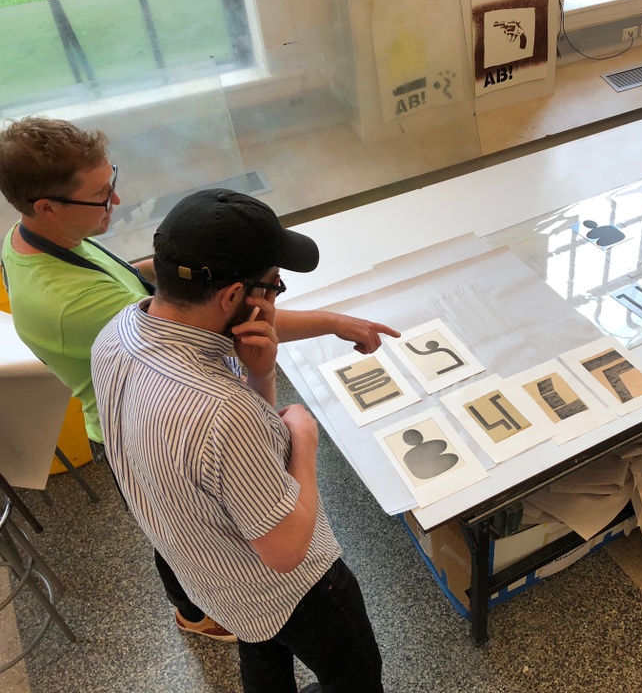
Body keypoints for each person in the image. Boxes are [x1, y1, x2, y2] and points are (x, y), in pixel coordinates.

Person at [0, 117, 398, 641]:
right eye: (100, 196)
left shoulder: (34, 241)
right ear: (46, 205)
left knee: (173, 524)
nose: (114, 203)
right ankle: (199, 611)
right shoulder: (91, 313)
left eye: (111, 182)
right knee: (183, 526)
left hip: (129, 406)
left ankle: (203, 605)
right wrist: (303, 426)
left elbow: (146, 283)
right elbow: (283, 549)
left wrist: (182, 264)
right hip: (140, 423)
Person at [92, 189, 383, 693]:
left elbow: (238, 467)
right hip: (293, 586)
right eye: (273, 285)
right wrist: (305, 439)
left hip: (215, 574)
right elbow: (287, 549)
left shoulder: (117, 334)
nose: (274, 297)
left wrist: (261, 374)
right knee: (354, 673)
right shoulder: (220, 411)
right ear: (232, 297)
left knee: (262, 653)